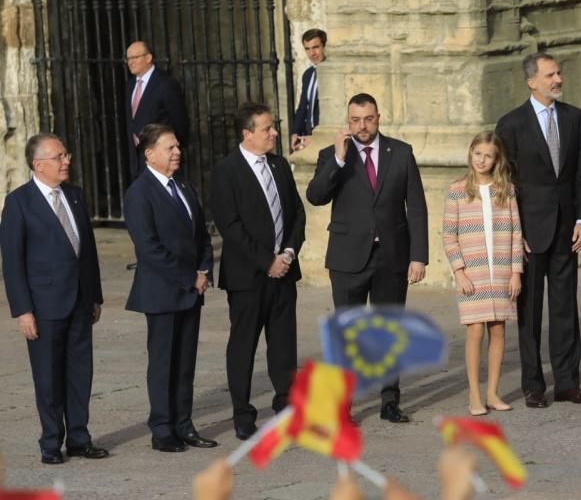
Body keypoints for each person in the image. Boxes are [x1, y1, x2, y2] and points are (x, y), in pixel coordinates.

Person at [306, 93, 429, 423]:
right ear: (348, 122)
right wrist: (338, 158)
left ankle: (390, 400)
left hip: (391, 256)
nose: (362, 126)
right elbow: (316, 196)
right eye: (355, 120)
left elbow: (416, 207)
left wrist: (419, 257)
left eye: (368, 119)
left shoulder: (400, 153)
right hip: (347, 259)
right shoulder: (332, 155)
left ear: (379, 117)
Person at [495, 52, 581, 408]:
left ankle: (568, 382)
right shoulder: (511, 124)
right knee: (529, 311)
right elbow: (503, 183)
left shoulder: (574, 118)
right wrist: (513, 230)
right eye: (551, 75)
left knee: (565, 307)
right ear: (532, 81)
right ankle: (533, 385)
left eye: (559, 73)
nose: (558, 80)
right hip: (528, 232)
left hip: (568, 229)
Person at [0, 134, 108, 465]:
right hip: (44, 305)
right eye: (59, 156)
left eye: (66, 154)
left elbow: (86, 250)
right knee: (48, 376)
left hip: (79, 300)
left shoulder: (74, 196)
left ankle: (79, 436)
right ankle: (51, 441)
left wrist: (95, 295)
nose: (67, 161)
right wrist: (23, 310)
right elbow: (13, 262)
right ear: (39, 164)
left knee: (80, 372)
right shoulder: (19, 202)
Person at [211, 103, 306, 440]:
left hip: (285, 272)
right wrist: (267, 261)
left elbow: (296, 213)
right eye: (267, 128)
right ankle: (243, 413)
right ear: (247, 134)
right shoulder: (227, 171)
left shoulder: (279, 165)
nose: (274, 133)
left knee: (283, 345)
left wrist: (289, 253)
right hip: (248, 277)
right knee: (243, 345)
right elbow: (231, 226)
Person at [124, 124, 216, 452]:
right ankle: (162, 428)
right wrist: (188, 276)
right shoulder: (140, 193)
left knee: (185, 362)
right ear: (150, 154)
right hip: (162, 291)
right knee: (164, 362)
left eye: (178, 146)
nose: (177, 152)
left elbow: (202, 234)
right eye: (169, 148)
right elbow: (149, 249)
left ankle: (184, 423)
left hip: (192, 289)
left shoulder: (184, 186)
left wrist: (204, 268)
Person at [442, 131, 523, 415]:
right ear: (471, 153)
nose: (482, 160)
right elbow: (449, 236)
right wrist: (459, 271)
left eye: (488, 155)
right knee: (475, 330)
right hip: (472, 274)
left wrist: (516, 272)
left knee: (498, 329)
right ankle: (474, 395)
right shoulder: (457, 190)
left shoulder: (507, 190)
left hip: (500, 272)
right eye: (478, 153)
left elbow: (515, 233)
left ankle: (492, 393)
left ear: (496, 159)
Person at [124, 40, 189, 179]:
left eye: (135, 58)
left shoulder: (166, 84)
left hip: (162, 158)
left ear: (148, 58)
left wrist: (171, 148)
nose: (130, 62)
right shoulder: (130, 86)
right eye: (128, 59)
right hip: (138, 160)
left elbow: (180, 121)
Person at [291, 28, 327, 151]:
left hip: (324, 133)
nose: (312, 53)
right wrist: (295, 132)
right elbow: (303, 106)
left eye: (316, 47)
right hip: (308, 134)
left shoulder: (332, 74)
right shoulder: (308, 74)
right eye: (308, 49)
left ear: (324, 46)